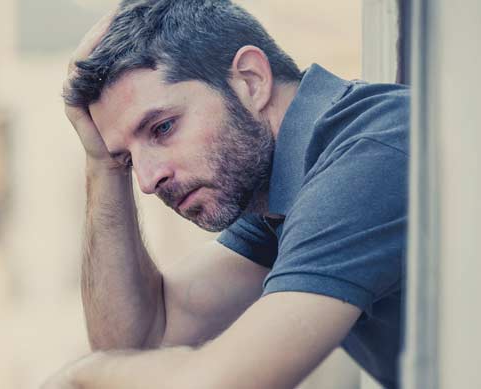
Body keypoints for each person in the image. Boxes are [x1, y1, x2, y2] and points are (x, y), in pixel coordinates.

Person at [44, 1, 408, 388]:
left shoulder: (366, 158)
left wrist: (80, 376)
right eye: (129, 160)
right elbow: (140, 340)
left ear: (250, 81)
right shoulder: (280, 192)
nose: (148, 181)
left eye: (163, 128)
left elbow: (218, 383)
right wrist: (102, 162)